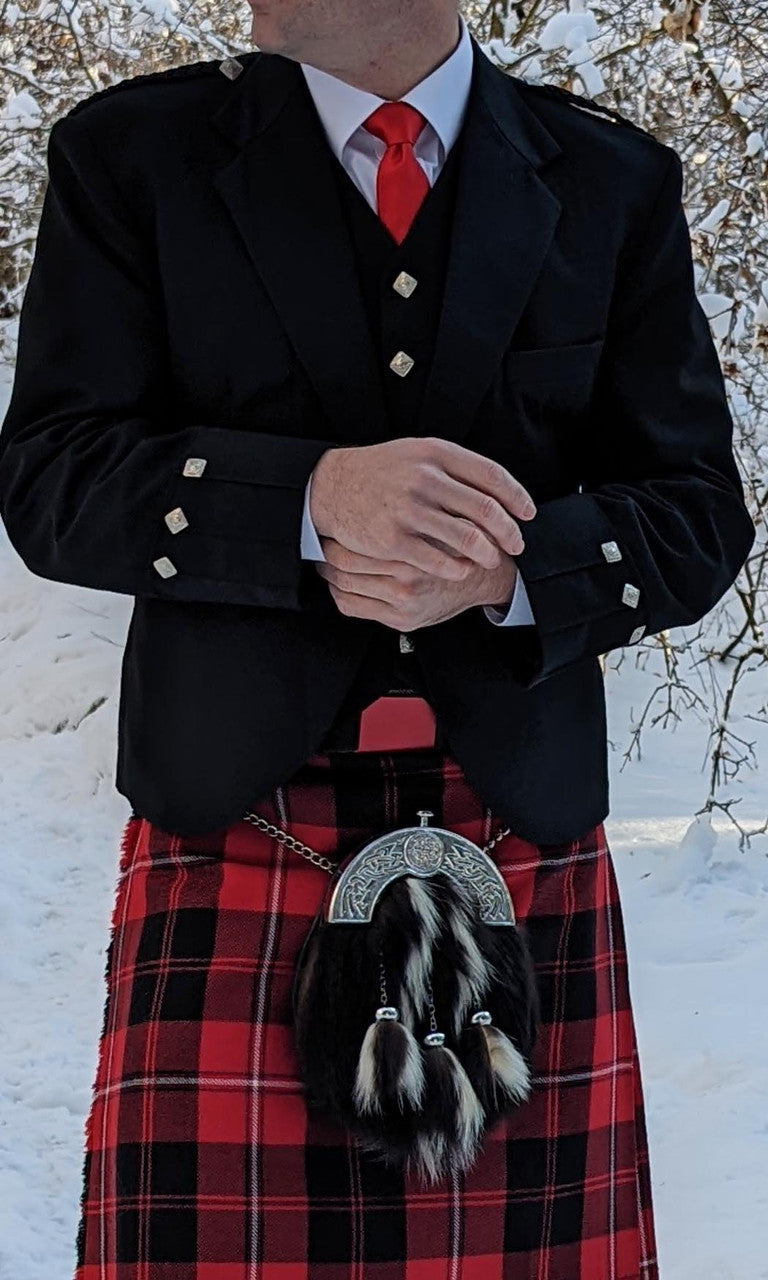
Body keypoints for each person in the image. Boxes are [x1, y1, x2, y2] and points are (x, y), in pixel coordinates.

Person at [0, 0, 754, 1275]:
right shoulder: (134, 157)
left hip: (517, 827)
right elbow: (54, 481)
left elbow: (694, 514)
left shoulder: (610, 179)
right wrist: (303, 506)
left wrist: (512, 567)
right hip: (237, 813)